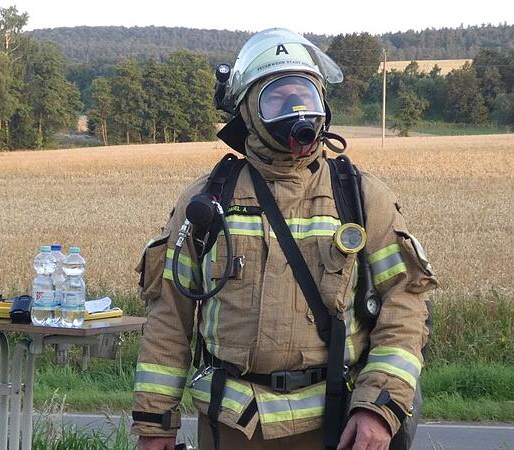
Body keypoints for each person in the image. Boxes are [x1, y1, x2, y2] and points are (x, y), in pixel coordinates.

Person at [132, 28, 437, 450]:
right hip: (231, 427)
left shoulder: (362, 198)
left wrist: (376, 408)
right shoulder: (206, 201)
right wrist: (155, 424)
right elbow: (170, 317)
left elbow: (405, 304)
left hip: (334, 423)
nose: (296, 110)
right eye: (277, 97)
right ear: (249, 111)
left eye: (305, 95)